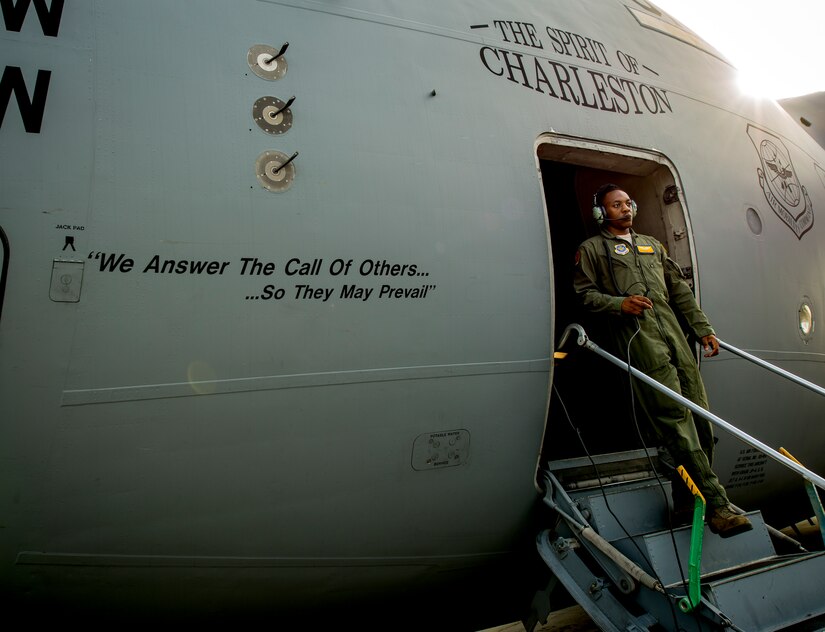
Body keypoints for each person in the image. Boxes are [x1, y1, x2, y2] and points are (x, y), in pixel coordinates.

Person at [572, 183, 752, 538]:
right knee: (674, 420)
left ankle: (686, 502)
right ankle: (717, 505)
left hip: (675, 336)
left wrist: (702, 329)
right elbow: (584, 295)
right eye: (615, 205)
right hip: (639, 339)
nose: (625, 209)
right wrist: (618, 304)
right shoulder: (591, 250)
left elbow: (679, 290)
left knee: (701, 420)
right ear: (600, 213)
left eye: (627, 203)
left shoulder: (652, 245)